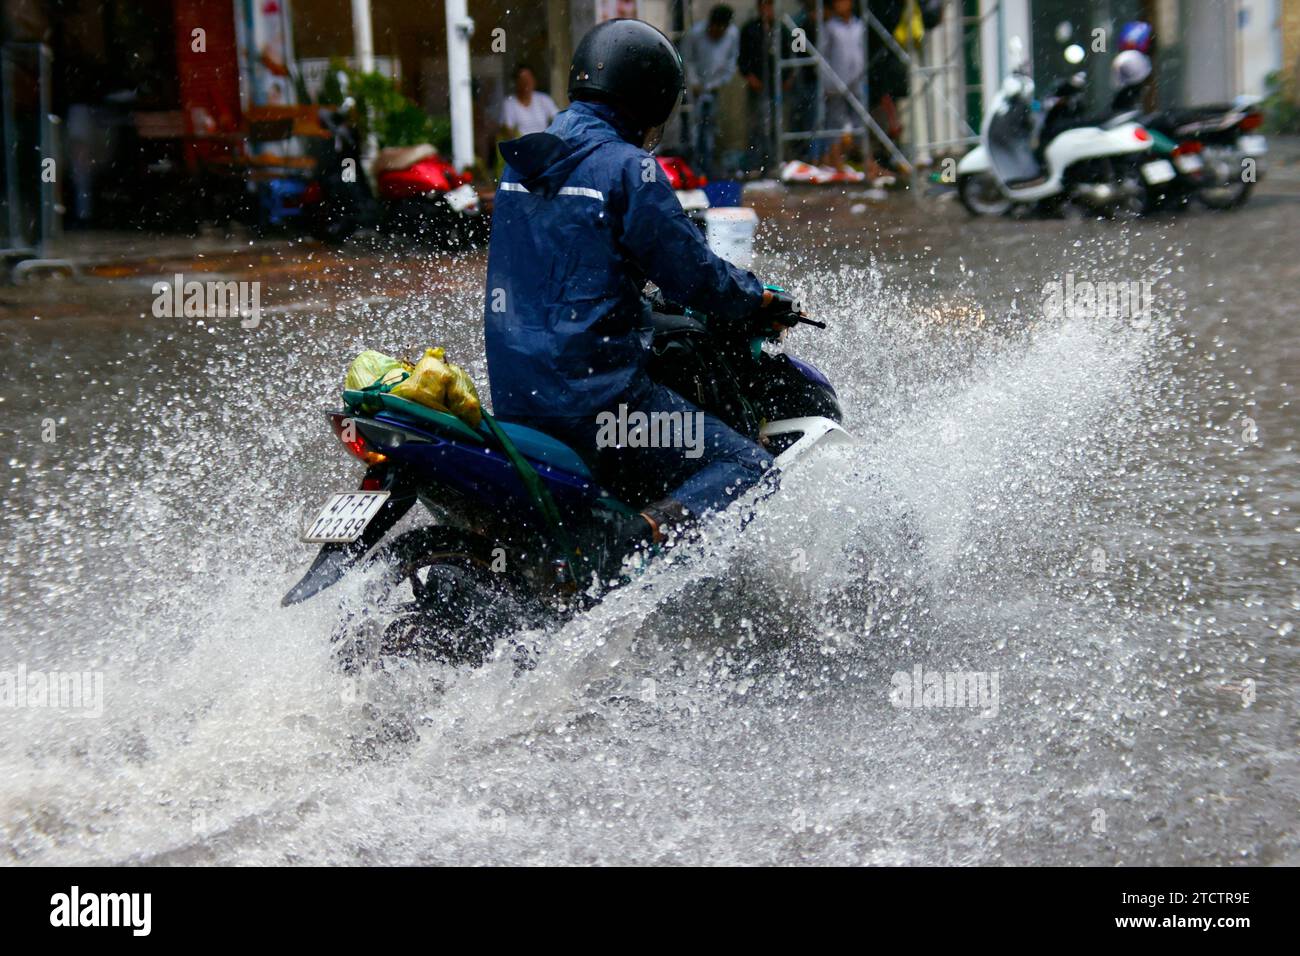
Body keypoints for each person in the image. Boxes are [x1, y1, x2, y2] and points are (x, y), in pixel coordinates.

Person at [483, 19, 800, 577]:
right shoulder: (631, 170)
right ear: (650, 99)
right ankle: (630, 542)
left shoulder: (522, 164)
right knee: (746, 464)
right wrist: (759, 298)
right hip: (603, 410)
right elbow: (696, 278)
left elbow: (561, 264)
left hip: (517, 399)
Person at [679, 5, 741, 178]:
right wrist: (695, 83)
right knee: (694, 127)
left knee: (711, 127)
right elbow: (687, 60)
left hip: (715, 87)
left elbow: (730, 62)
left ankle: (708, 165)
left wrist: (718, 83)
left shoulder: (732, 35)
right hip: (695, 88)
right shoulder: (695, 34)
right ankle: (693, 166)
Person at [739, 0, 794, 176]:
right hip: (758, 83)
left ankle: (774, 162)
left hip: (777, 84)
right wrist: (749, 75)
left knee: (775, 125)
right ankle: (756, 163)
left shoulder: (783, 30)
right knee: (757, 125)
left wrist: (789, 76)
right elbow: (743, 57)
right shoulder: (750, 29)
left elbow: (791, 54)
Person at [820, 0, 866, 171]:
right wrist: (827, 82)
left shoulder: (859, 25)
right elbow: (823, 56)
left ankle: (858, 160)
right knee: (835, 122)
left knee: (858, 122)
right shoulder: (830, 27)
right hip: (836, 82)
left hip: (857, 80)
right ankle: (835, 160)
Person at [498, 63, 559, 136]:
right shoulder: (509, 103)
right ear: (516, 82)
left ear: (534, 80)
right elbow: (508, 130)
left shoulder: (544, 99)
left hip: (543, 144)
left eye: (529, 78)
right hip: (521, 145)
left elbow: (559, 118)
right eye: (522, 79)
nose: (526, 82)